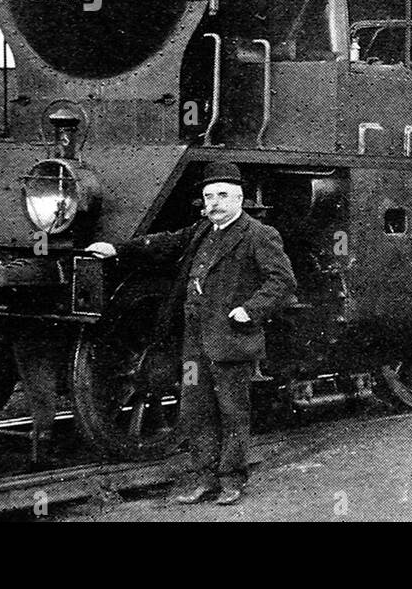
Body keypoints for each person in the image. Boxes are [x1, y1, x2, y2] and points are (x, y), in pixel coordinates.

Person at [86, 161, 297, 505]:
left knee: (232, 411)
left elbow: (283, 282)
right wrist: (117, 249)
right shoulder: (202, 230)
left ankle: (231, 481)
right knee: (195, 409)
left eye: (222, 196)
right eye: (208, 196)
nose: (214, 203)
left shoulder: (259, 234)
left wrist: (249, 310)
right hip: (195, 345)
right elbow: (164, 243)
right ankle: (204, 478)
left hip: (231, 341)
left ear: (240, 198)